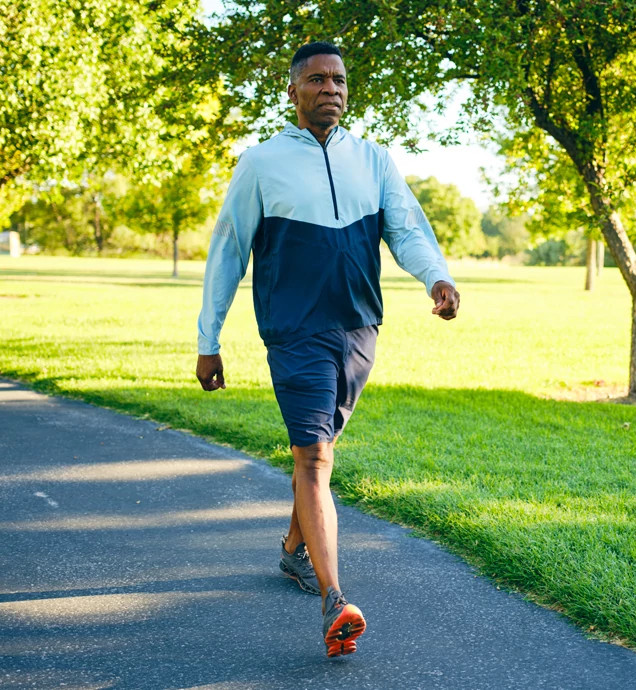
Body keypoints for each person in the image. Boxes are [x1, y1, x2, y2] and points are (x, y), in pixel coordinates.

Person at [195, 41, 460, 658]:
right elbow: (228, 253)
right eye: (316, 80)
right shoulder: (261, 163)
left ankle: (292, 553)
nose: (331, 89)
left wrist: (436, 278)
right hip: (295, 330)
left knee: (321, 453)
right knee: (313, 458)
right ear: (292, 93)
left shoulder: (373, 160)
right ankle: (333, 599)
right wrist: (208, 341)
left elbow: (406, 230)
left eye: (339, 79)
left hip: (359, 327)